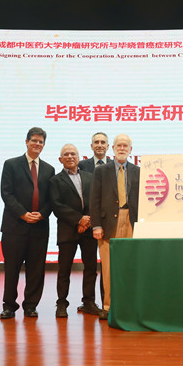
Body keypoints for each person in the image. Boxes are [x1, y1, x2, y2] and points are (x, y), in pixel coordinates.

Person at [0, 127, 55, 319]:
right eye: (34, 140)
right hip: (14, 226)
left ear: (44, 145)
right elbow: (6, 193)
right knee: (12, 269)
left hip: (39, 227)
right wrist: (23, 214)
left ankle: (31, 305)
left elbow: (51, 199)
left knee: (36, 270)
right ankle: (9, 306)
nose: (37, 144)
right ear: (26, 142)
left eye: (41, 142)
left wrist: (42, 214)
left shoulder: (49, 169)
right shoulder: (11, 164)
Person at [90, 133, 140, 321]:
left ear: (130, 150)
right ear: (113, 148)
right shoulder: (101, 171)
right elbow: (94, 200)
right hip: (108, 224)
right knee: (108, 268)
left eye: (125, 145)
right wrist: (96, 225)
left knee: (131, 265)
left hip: (132, 222)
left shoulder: (138, 171)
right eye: (119, 145)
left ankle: (130, 305)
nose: (122, 148)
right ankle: (108, 306)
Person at [49, 144, 102, 318]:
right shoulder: (55, 180)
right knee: (64, 270)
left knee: (91, 268)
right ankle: (61, 304)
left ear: (79, 158)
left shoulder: (90, 177)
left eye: (73, 154)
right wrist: (78, 219)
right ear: (60, 159)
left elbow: (95, 201)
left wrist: (87, 220)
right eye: (66, 154)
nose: (70, 156)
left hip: (88, 230)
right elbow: (57, 206)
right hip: (67, 230)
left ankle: (89, 302)